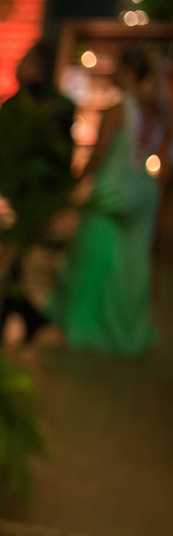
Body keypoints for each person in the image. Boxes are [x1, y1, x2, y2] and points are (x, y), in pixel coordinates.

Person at [48, 46, 165, 356]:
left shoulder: (118, 108)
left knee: (92, 259)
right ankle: (126, 332)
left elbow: (99, 156)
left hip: (113, 192)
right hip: (144, 193)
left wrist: (74, 184)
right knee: (132, 265)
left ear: (128, 72)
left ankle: (84, 330)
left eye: (118, 68)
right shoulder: (156, 112)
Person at [0, 42, 77, 341]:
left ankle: (13, 321)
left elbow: (59, 159)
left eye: (26, 62)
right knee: (7, 267)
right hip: (5, 196)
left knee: (12, 266)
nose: (20, 68)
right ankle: (19, 319)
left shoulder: (56, 107)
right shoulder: (13, 104)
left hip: (30, 200)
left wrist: (50, 200)